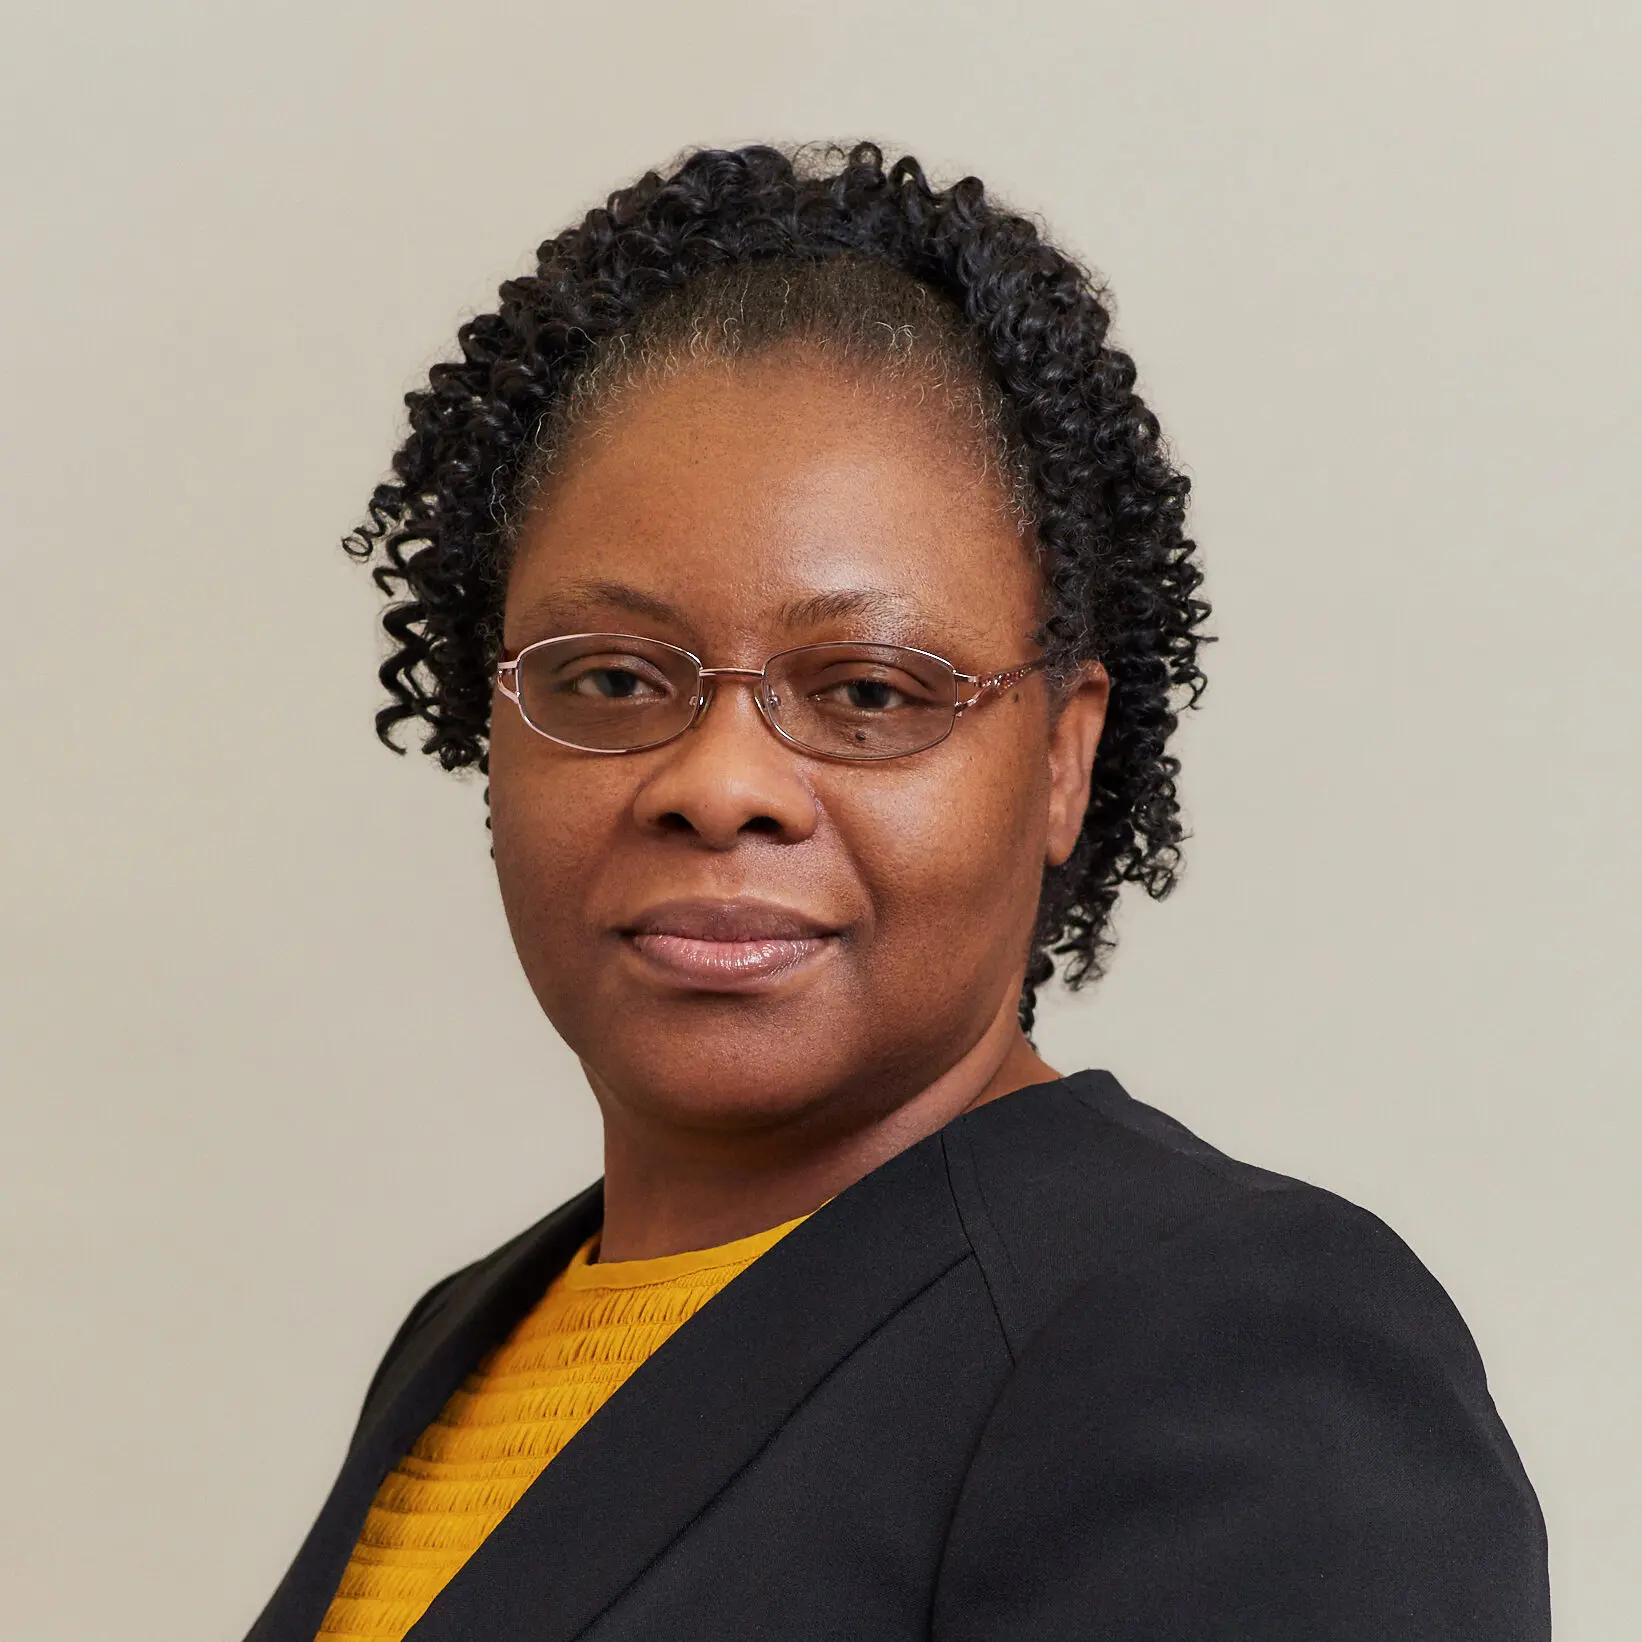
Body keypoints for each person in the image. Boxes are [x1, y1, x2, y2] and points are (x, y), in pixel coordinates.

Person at [246, 143, 1549, 1642]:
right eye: (610, 676)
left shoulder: (1220, 1342)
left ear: (1063, 760)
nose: (718, 780)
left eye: (867, 687)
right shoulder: (470, 1337)